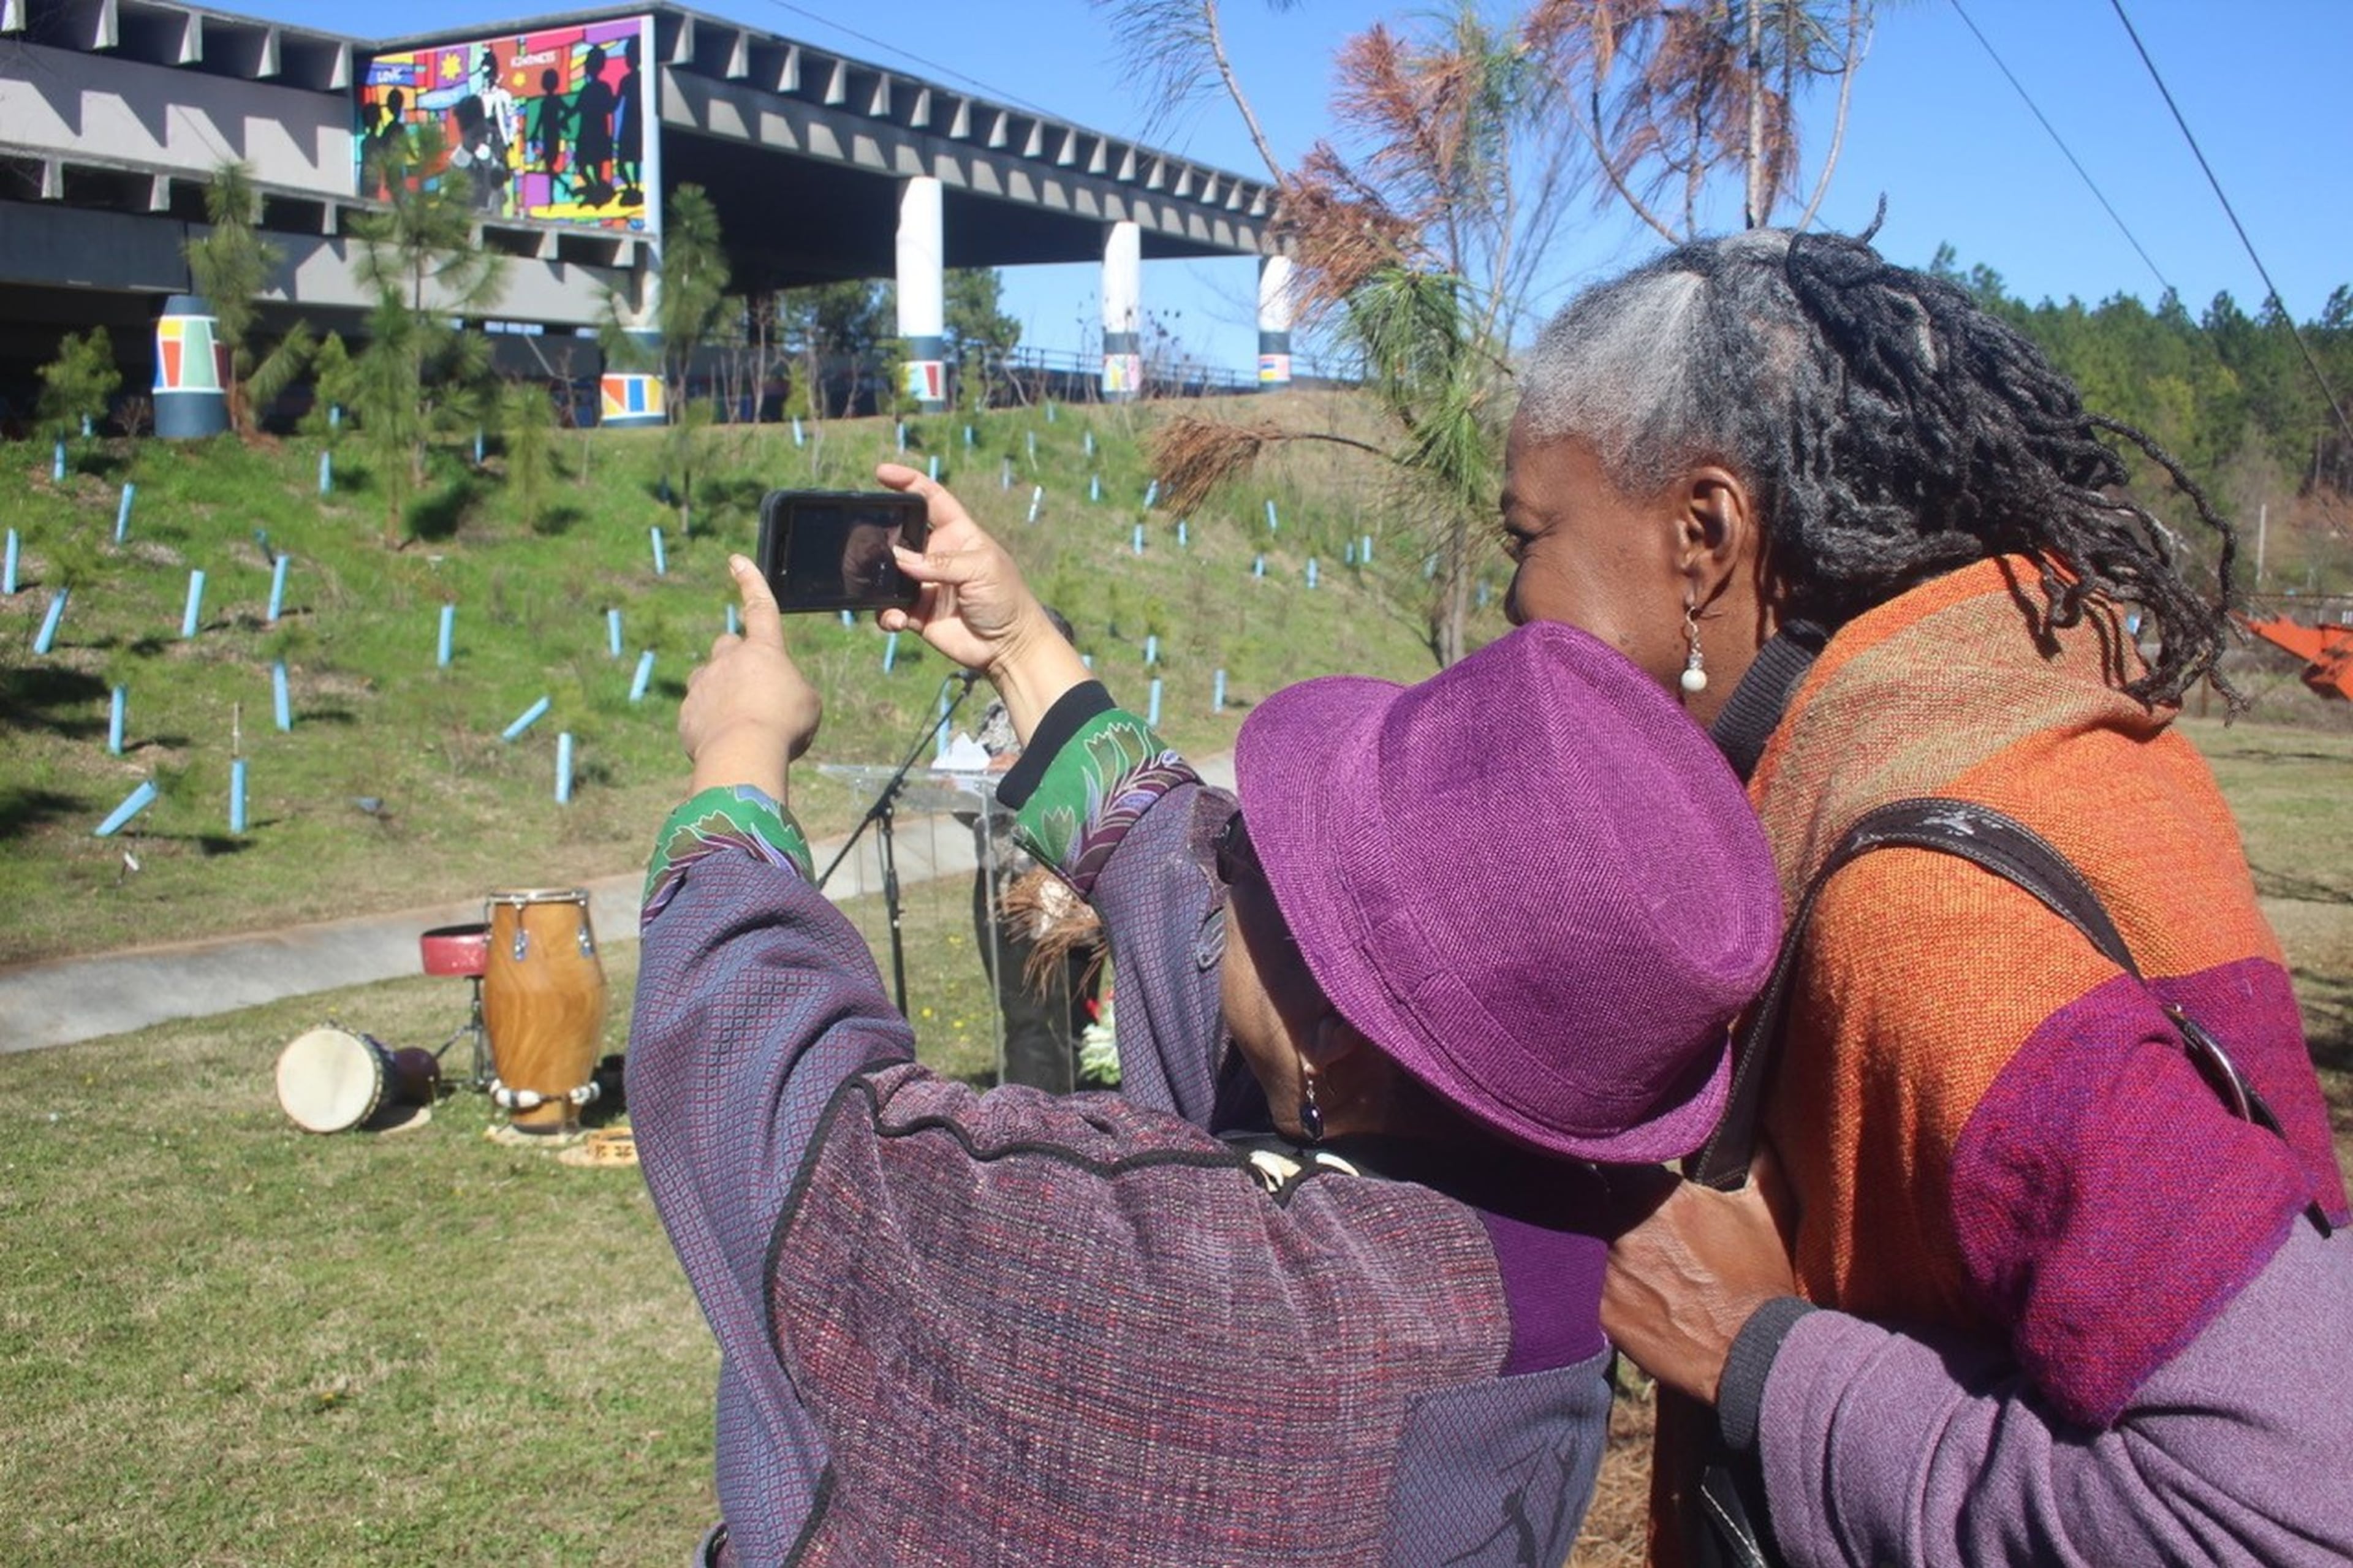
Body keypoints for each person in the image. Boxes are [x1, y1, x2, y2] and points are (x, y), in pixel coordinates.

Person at [626, 464, 1782, 1566]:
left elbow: (774, 1101)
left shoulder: (1198, 1307)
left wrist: (738, 752)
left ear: (1335, 1030)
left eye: (1251, 857)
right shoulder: (1542, 1243)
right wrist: (1021, 648)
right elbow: (1183, 875)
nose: (1217, 849)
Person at [1496, 227, 2353, 1566]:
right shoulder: (2047, 726)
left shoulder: (1923, 912)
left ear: (1702, 537)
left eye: (1531, 538)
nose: (1512, 601)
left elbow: (2285, 1505)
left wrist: (1759, 1355)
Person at [960, 604, 1099, 1094]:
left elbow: (1091, 786)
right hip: (998, 877)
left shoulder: (1087, 712)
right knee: (1021, 1011)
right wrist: (962, 781)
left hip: (1056, 882)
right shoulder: (994, 713)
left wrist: (1019, 766)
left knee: (1063, 1014)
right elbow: (974, 803)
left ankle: (1075, 1116)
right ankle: (1027, 1113)